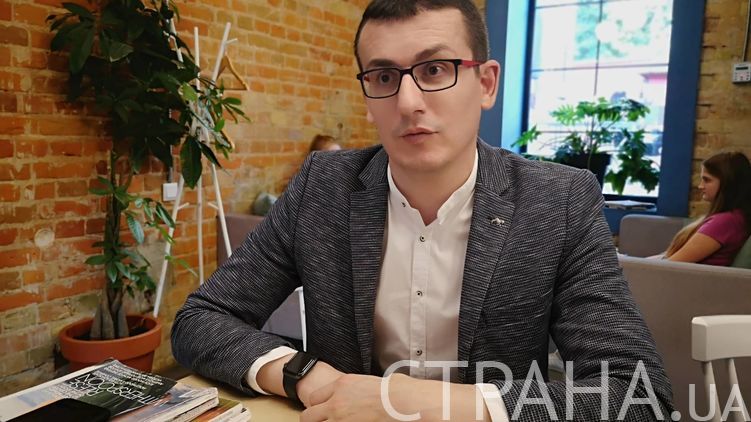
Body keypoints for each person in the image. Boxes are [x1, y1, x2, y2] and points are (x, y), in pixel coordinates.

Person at [172, 1, 672, 421]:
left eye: (435, 69)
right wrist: (306, 375)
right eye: (384, 76)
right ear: (368, 97)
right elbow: (202, 318)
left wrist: (415, 402)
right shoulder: (322, 187)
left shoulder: (557, 200)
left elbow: (638, 394)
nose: (408, 101)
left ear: (486, 84)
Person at [664, 151, 751, 265]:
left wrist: (640, 265)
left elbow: (671, 265)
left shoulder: (724, 222)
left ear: (728, 183)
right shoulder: (736, 217)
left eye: (707, 180)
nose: (700, 186)